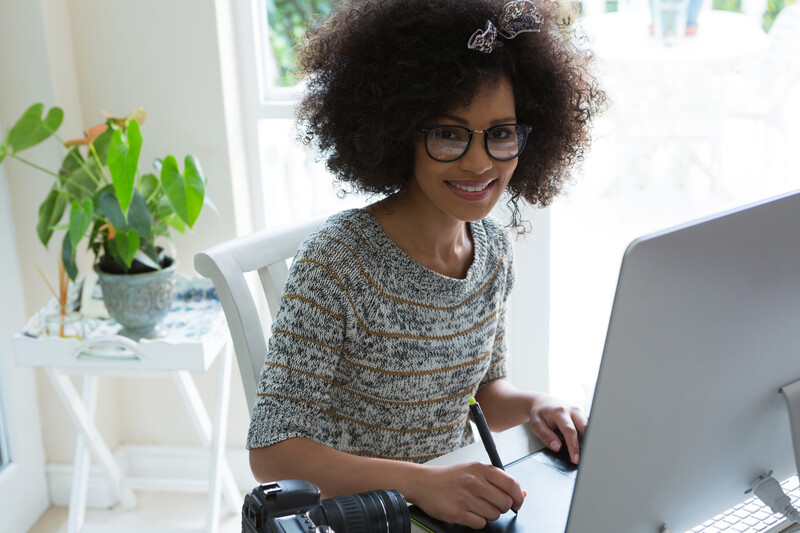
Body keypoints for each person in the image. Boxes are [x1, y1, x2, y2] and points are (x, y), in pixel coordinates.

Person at [247, 0, 605, 528]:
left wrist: (536, 404)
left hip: (447, 509)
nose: (479, 162)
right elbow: (272, 454)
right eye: (448, 134)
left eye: (501, 133)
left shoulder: (493, 252)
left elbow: (481, 390)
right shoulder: (337, 263)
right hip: (358, 518)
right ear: (398, 131)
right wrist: (419, 482)